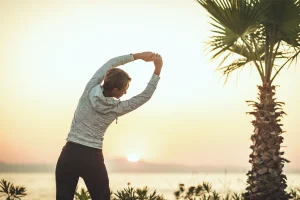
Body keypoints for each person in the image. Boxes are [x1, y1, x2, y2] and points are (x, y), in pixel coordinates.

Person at [55, 52, 163, 200]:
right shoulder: (117, 108)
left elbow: (110, 63)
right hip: (92, 158)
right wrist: (157, 70)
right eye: (125, 88)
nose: (126, 91)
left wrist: (137, 56)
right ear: (115, 90)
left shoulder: (90, 88)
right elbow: (145, 96)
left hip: (70, 153)